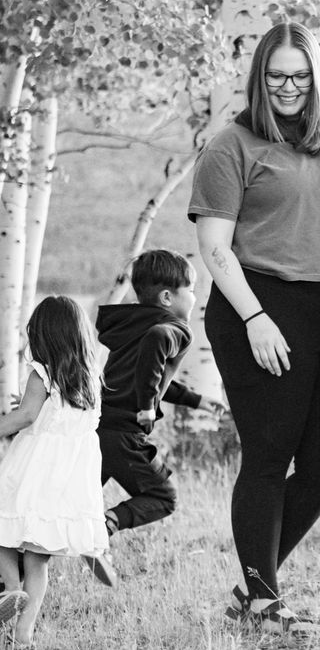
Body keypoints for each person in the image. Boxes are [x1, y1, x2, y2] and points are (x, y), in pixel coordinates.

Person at [188, 22, 320, 633]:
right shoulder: (231, 145)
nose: (288, 87)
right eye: (276, 75)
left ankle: (253, 585)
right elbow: (214, 247)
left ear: (317, 78)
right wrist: (255, 317)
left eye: (300, 75)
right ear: (259, 78)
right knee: (268, 455)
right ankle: (263, 603)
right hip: (258, 309)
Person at [88, 248, 222, 584]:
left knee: (70, 500)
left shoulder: (135, 325)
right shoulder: (172, 328)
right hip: (125, 433)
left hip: (99, 426)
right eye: (190, 291)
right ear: (167, 297)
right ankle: (103, 528)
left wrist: (197, 401)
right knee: (163, 497)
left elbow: (151, 372)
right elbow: (156, 347)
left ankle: (13, 572)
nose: (193, 298)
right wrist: (147, 405)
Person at [0, 296, 109, 648]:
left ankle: (10, 589)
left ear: (42, 335)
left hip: (34, 465)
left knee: (2, 528)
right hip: (68, 479)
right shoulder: (91, 376)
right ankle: (24, 634)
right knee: (39, 561)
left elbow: (27, 416)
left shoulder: (42, 373)